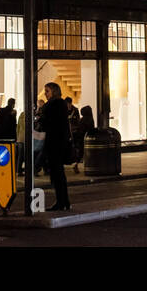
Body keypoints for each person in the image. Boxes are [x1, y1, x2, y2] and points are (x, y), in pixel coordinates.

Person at [40, 82, 72, 211]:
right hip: (57, 143)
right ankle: (63, 201)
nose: (45, 94)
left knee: (57, 174)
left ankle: (61, 201)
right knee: (58, 174)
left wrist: (41, 117)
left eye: (47, 91)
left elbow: (50, 123)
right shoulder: (60, 104)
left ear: (54, 91)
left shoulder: (55, 104)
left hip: (55, 144)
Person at [73, 104, 95, 173]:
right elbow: (90, 129)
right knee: (85, 153)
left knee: (81, 153)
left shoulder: (82, 119)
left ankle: (77, 165)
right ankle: (84, 166)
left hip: (81, 138)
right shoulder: (89, 119)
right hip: (86, 139)